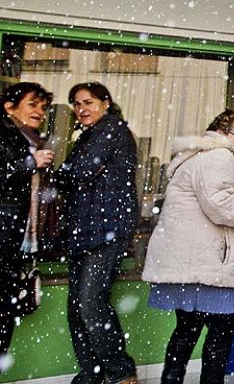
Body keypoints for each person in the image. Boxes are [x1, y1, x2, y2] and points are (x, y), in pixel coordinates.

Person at [142, 109, 234, 383]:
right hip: (209, 265)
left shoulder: (203, 155)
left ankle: (170, 380)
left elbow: (219, 199)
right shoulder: (218, 157)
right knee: (220, 334)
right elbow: (221, 206)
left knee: (187, 330)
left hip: (195, 262)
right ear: (221, 132)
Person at [56, 82, 138, 384]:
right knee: (77, 309)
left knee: (90, 304)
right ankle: (92, 374)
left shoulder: (111, 128)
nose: (82, 109)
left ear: (105, 103)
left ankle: (121, 373)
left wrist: (62, 172)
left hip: (106, 229)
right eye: (76, 104)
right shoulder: (88, 136)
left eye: (88, 102)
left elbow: (79, 172)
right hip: (85, 229)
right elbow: (76, 175)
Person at [0, 82, 54, 363]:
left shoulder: (27, 139)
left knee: (4, 316)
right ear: (9, 107)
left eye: (43, 107)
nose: (40, 112)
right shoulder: (8, 136)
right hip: (4, 236)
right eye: (33, 104)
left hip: (12, 241)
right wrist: (29, 164)